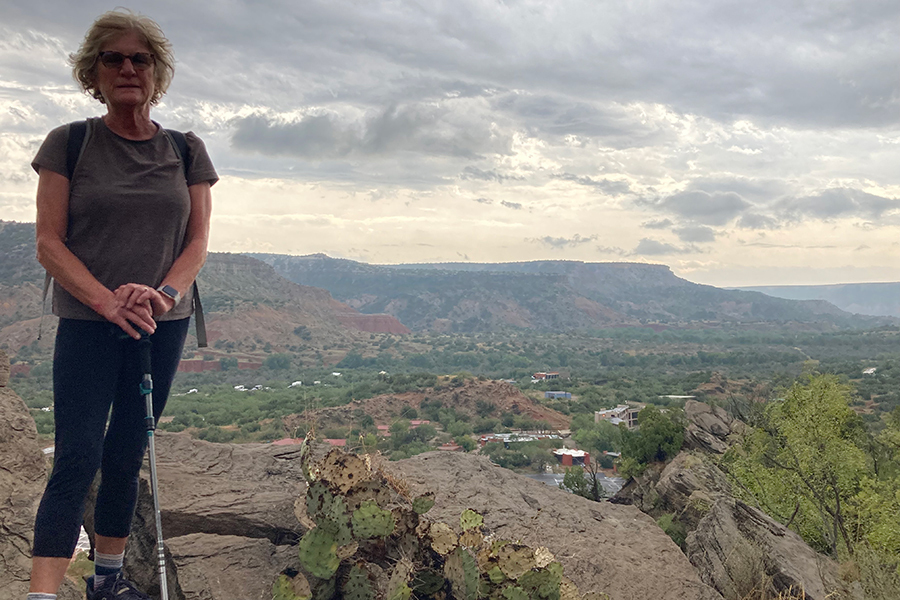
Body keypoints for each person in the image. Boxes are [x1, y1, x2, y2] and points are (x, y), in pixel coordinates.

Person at [28, 9, 217, 600]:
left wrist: (161, 295)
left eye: (141, 58)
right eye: (114, 58)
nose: (128, 68)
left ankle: (106, 584)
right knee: (77, 456)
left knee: (128, 449)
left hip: (162, 324)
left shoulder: (186, 150)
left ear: (157, 72)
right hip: (90, 321)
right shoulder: (70, 143)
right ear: (95, 72)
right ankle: (42, 594)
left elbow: (197, 243)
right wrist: (108, 301)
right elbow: (48, 243)